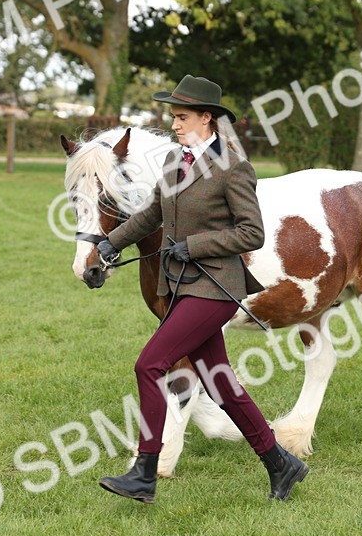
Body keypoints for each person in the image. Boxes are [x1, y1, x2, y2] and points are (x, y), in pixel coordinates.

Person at [95, 75, 309, 504]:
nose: (174, 124)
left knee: (149, 364)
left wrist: (194, 246)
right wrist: (109, 244)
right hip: (181, 286)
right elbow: (152, 213)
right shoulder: (175, 161)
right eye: (174, 117)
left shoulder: (233, 168)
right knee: (220, 383)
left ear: (206, 118)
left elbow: (252, 233)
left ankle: (144, 472)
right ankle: (281, 463)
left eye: (182, 117)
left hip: (215, 288)